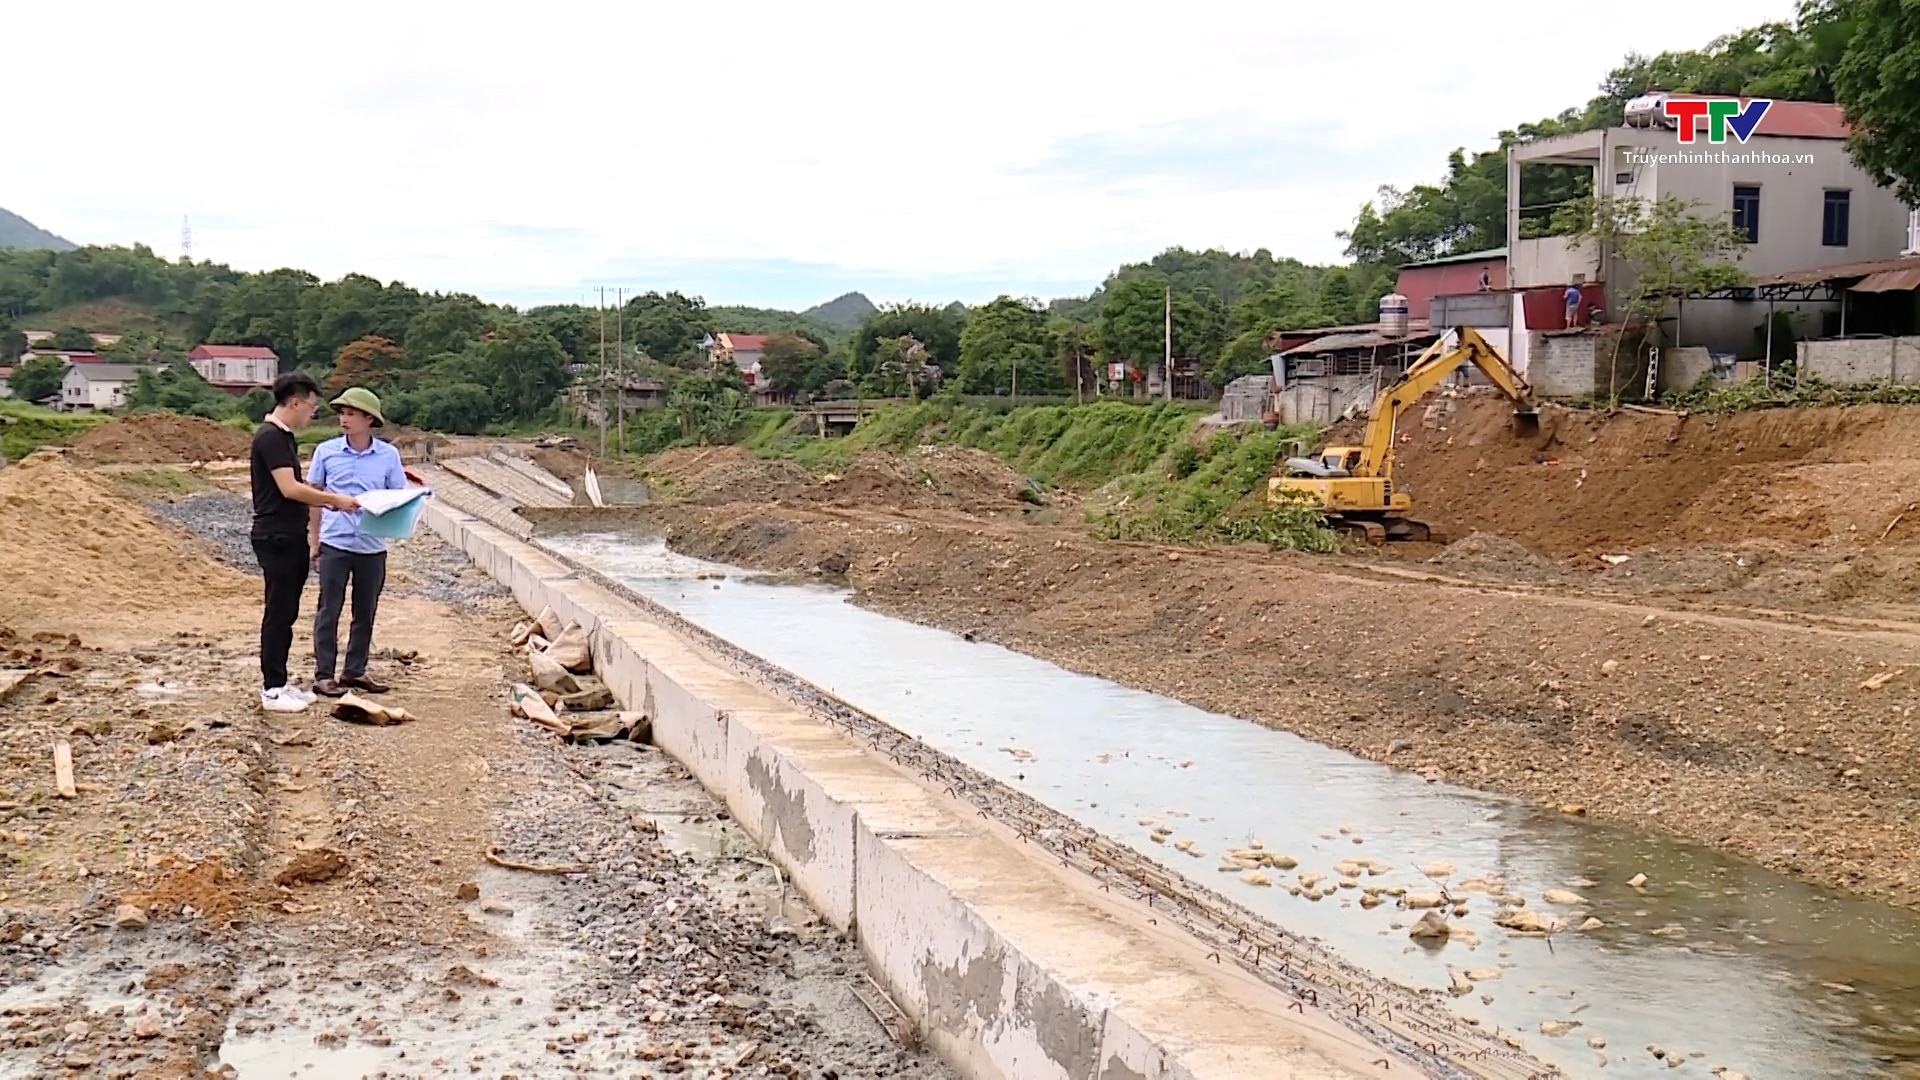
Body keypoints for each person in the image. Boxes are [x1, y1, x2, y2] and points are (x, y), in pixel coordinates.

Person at [252, 372, 359, 714]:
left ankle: (281, 682)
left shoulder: (284, 438)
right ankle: (271, 689)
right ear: (295, 402)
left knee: (288, 611)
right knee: (278, 612)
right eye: (312, 406)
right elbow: (289, 488)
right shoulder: (270, 437)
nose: (313, 413)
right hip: (277, 536)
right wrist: (333, 499)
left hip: (292, 535)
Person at [307, 387, 409, 698]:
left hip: (371, 547)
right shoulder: (326, 451)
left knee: (365, 611)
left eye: (351, 413)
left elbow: (398, 497)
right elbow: (314, 496)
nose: (343, 419)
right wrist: (313, 539)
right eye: (342, 413)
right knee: (329, 610)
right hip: (335, 543)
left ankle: (355, 670)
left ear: (369, 419)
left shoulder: (389, 455)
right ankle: (324, 675)